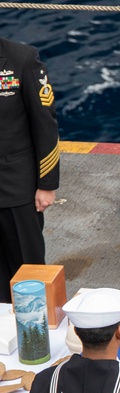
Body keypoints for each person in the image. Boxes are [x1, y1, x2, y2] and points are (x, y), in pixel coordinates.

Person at [0, 38, 60, 303]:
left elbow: (45, 124)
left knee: (29, 275)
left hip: (16, 187)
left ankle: (35, 339)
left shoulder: (22, 59)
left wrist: (47, 183)